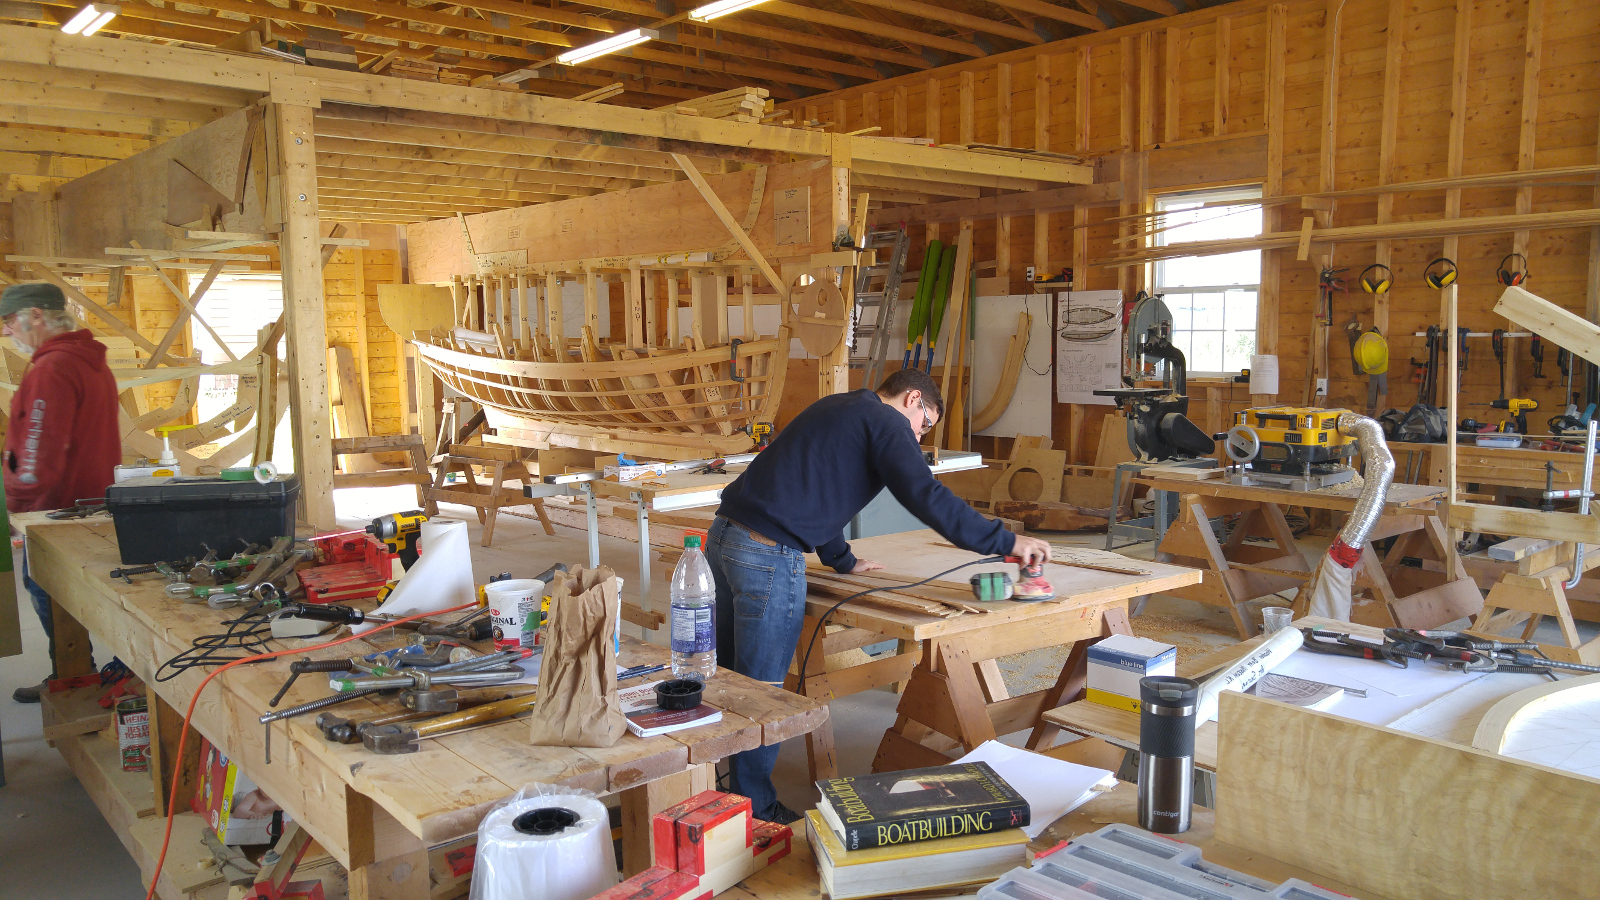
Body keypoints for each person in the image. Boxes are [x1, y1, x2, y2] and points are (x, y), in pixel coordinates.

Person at [708, 367, 1051, 824]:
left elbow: (810, 484)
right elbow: (926, 496)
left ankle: (716, 793)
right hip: (767, 554)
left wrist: (844, 561)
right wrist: (1006, 541)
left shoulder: (841, 406)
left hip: (723, 536)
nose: (920, 435)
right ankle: (756, 813)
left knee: (732, 681)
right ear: (913, 400)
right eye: (925, 424)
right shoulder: (889, 422)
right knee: (764, 691)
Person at [2, 282, 121, 703]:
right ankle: (101, 674)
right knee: (90, 597)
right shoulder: (91, 363)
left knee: (48, 594)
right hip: (94, 504)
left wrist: (12, 503)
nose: (6, 333)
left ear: (35, 316)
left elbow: (35, 458)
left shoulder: (50, 370)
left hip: (58, 514)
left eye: (9, 322)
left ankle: (74, 681)